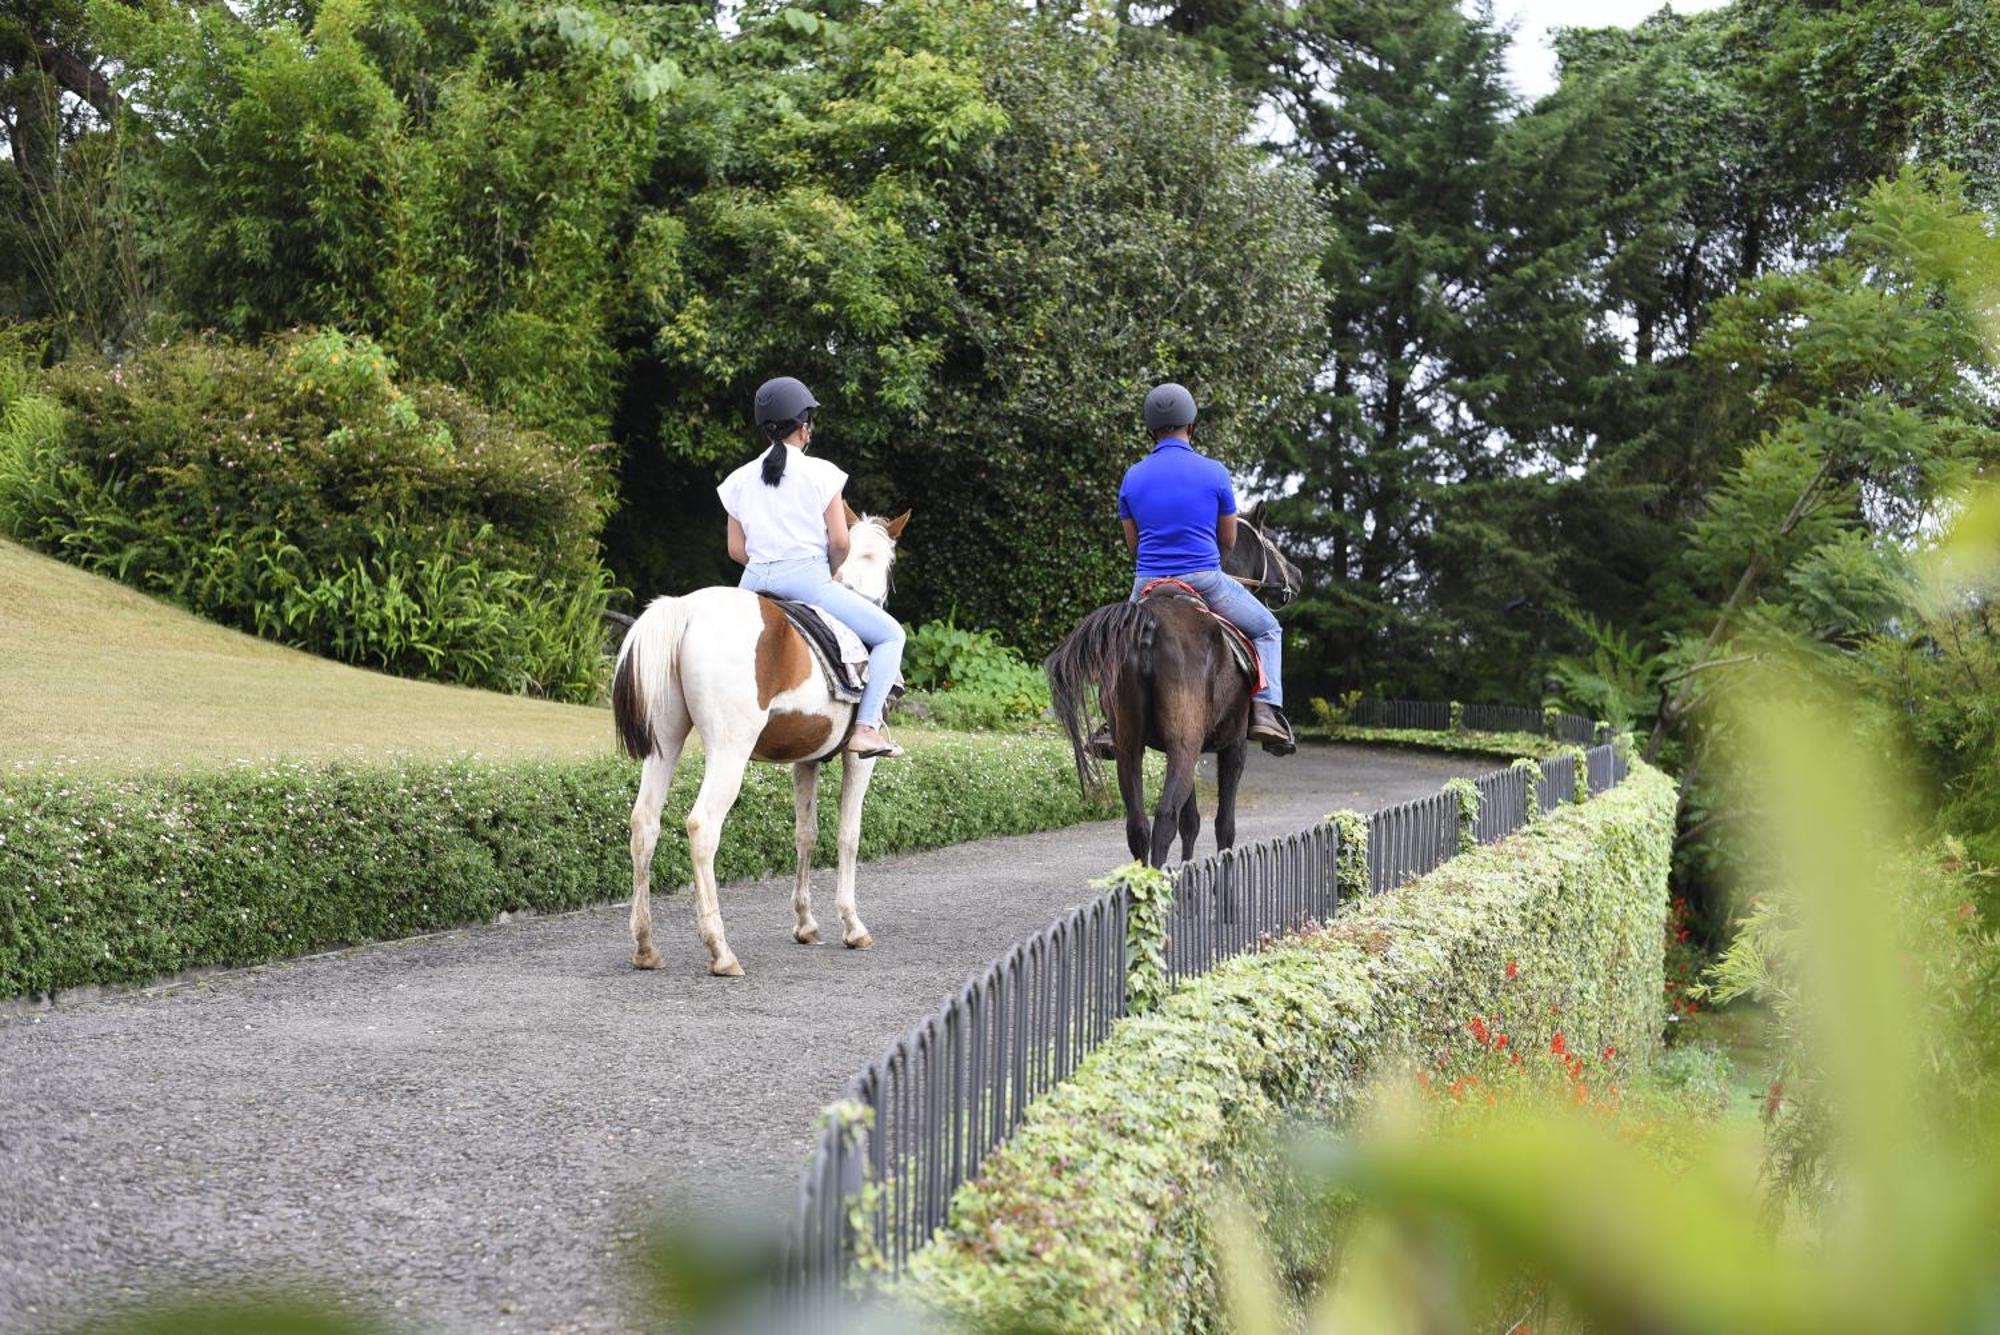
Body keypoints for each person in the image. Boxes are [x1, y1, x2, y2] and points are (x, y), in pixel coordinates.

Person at [719, 376, 905, 759]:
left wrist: (765, 567)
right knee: (890, 636)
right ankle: (866, 728)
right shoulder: (823, 473)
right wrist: (832, 572)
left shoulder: (737, 480)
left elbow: (736, 550)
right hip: (808, 581)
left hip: (750, 582)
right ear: (804, 427)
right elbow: (839, 542)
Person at [1117, 382, 1293, 754]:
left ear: (1150, 429)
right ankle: (1265, 710)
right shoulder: (1214, 473)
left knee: (1115, 644)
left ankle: (1111, 721)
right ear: (1191, 425)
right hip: (1204, 580)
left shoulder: (1132, 477)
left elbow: (1133, 545)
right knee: (1269, 629)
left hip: (1147, 583)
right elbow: (1227, 541)